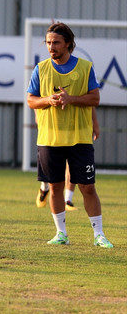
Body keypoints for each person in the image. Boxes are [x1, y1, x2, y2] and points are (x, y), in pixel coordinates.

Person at [27, 22, 113, 248]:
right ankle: (61, 233)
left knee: (88, 187)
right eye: (48, 43)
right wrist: (48, 100)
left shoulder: (85, 68)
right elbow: (30, 100)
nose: (51, 47)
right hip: (49, 138)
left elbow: (95, 99)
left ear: (68, 44)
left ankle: (99, 235)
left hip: (79, 139)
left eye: (55, 42)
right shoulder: (41, 69)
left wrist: (71, 99)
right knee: (54, 186)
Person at [35, 107, 100, 211]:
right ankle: (45, 187)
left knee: (71, 165)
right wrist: (37, 115)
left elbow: (90, 99)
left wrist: (95, 122)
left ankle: (67, 199)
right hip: (52, 130)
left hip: (73, 130)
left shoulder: (81, 90)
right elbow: (35, 97)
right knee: (53, 177)